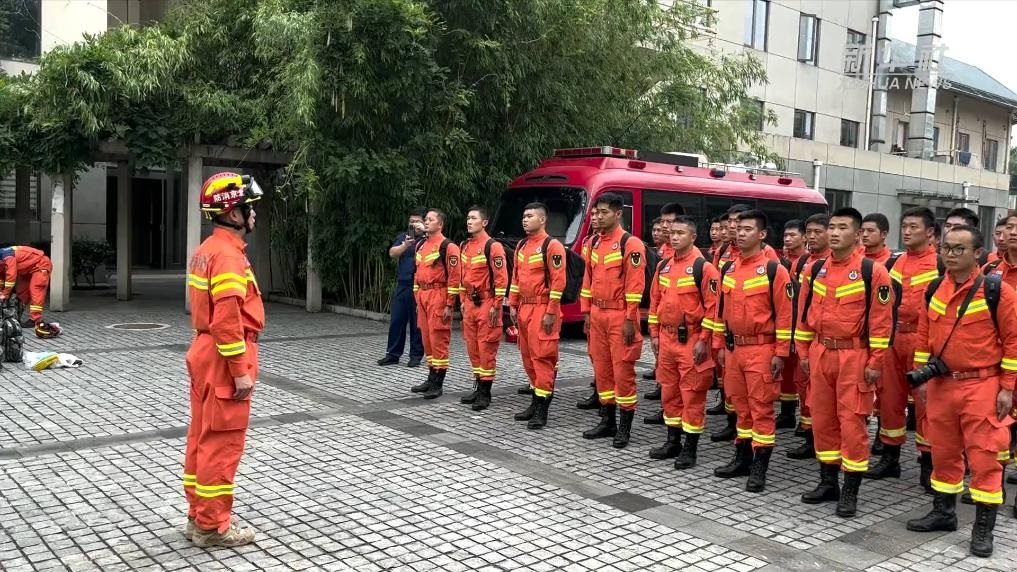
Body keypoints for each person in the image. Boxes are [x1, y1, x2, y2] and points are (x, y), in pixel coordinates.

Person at [905, 225, 1017, 558]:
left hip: (982, 385)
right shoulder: (934, 288)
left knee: (984, 456)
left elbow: (1013, 342)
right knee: (943, 451)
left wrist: (1007, 388)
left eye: (959, 249)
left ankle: (983, 527)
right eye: (946, 248)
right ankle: (943, 512)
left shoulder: (997, 291)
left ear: (977, 253)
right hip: (942, 384)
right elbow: (923, 337)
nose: (950, 255)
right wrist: (922, 378)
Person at [794, 208, 894, 518]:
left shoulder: (872, 272)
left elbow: (882, 323)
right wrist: (803, 352)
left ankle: (850, 490)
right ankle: (828, 482)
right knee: (822, 419)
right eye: (832, 227)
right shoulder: (815, 269)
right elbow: (803, 315)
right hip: (821, 353)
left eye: (842, 228)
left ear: (858, 234)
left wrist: (875, 361)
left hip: (855, 356)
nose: (834, 233)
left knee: (852, 423)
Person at [183, 172, 265, 547]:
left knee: (202, 437)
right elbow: (227, 321)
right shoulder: (229, 256)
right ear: (233, 214)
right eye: (249, 208)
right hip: (224, 357)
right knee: (222, 443)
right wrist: (240, 372)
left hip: (205, 352)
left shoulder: (207, 250)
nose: (253, 214)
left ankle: (197, 515)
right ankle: (213, 527)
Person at [711, 209, 792, 492]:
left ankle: (759, 467)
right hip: (734, 349)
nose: (741, 233)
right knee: (740, 407)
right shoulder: (728, 268)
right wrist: (719, 345)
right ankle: (742, 458)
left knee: (761, 409)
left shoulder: (774, 270)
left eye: (748, 229)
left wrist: (781, 353)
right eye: (739, 228)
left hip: (762, 349)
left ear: (762, 234)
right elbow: (720, 312)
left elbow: (785, 316)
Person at [866, 207, 940, 486]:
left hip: (925, 342)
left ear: (930, 232)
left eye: (913, 227)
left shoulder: (940, 265)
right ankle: (890, 458)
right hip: (894, 338)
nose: (907, 232)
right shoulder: (894, 263)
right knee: (889, 400)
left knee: (926, 405)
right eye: (904, 226)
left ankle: (928, 464)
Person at [647, 216, 719, 469]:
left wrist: (704, 340)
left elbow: (713, 309)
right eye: (673, 233)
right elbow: (655, 302)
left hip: (692, 340)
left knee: (692, 395)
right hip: (667, 339)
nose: (674, 237)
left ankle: (690, 449)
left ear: (693, 237)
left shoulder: (704, 268)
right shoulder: (663, 266)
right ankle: (672, 441)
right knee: (669, 392)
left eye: (680, 233)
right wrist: (654, 334)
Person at [581, 192, 646, 449]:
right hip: (598, 314)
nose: (598, 217)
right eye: (596, 212)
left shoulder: (631, 244)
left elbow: (635, 286)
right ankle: (607, 421)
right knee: (602, 369)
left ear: (618, 214)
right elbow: (587, 280)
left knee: (622, 372)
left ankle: (624, 428)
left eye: (604, 212)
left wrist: (630, 319)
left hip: (620, 316)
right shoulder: (594, 243)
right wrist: (587, 313)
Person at [510, 202, 566, 429]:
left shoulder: (552, 246)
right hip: (524, 308)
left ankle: (542, 410)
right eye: (524, 216)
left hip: (543, 309)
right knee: (528, 357)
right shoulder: (522, 245)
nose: (525, 219)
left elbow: (559, 282)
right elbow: (516, 278)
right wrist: (513, 304)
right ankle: (534, 401)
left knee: (542, 358)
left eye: (530, 216)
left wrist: (551, 311)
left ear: (542, 220)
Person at [784, 214, 831, 459]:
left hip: (831, 341)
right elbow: (795, 304)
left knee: (826, 395)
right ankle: (810, 434)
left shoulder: (839, 264)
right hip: (807, 336)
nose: (812, 237)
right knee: (804, 386)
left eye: (817, 232)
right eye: (809, 232)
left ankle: (825, 440)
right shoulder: (802, 263)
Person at [458, 206, 508, 411]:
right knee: (473, 348)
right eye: (468, 218)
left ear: (484, 222)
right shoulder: (464, 246)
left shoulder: (493, 247)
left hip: (487, 304)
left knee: (486, 348)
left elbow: (501, 279)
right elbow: (462, 276)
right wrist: (462, 300)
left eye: (473, 218)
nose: (469, 222)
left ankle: (485, 393)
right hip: (470, 304)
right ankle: (478, 386)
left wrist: (497, 305)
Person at [409, 209, 462, 399]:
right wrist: (417, 298)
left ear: (440, 224)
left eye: (431, 219)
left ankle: (438, 383)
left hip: (438, 295)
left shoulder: (448, 247)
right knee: (427, 339)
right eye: (426, 219)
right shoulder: (421, 245)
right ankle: (431, 377)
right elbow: (417, 274)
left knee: (438, 339)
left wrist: (449, 304)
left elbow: (455, 277)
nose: (426, 222)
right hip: (423, 296)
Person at [378, 208, 426, 367]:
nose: (414, 224)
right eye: (411, 221)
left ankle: (415, 356)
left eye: (417, 221)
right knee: (397, 320)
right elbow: (392, 253)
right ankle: (392, 354)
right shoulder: (403, 237)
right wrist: (405, 245)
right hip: (403, 284)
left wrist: (425, 232)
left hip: (420, 286)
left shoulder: (429, 239)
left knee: (417, 323)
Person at [775, 219, 806, 431]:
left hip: (808, 326)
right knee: (788, 371)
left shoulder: (809, 262)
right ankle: (787, 414)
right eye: (785, 235)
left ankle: (806, 420)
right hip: (792, 322)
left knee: (802, 375)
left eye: (792, 235)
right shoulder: (791, 262)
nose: (787, 239)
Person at [0, 245, 60, 338]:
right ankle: (15, 316)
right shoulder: (2, 258)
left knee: (36, 291)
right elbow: (2, 278)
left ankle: (35, 319)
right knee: (22, 293)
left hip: (40, 265)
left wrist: (5, 293)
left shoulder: (8, 257)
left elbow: (11, 276)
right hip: (27, 269)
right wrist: (1, 291)